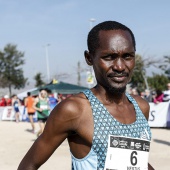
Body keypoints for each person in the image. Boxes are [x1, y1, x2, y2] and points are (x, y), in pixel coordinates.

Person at [18, 21, 154, 170]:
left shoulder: (141, 107)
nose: (120, 66)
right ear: (89, 58)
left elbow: (133, 162)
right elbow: (29, 165)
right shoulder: (75, 109)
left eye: (127, 56)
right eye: (109, 57)